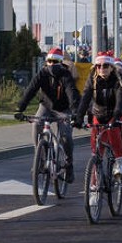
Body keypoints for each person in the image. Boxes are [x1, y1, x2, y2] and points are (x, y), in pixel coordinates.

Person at [15, 47, 80, 182]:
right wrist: (20, 108)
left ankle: (69, 165)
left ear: (61, 62)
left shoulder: (65, 75)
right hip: (46, 106)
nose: (51, 64)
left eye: (55, 61)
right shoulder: (42, 73)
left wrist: (74, 112)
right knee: (36, 125)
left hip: (64, 109)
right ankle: (40, 158)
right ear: (46, 62)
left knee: (66, 135)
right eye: (49, 61)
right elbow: (30, 90)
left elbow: (71, 93)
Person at [73, 51, 122, 177]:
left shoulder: (117, 79)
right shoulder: (92, 79)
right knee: (96, 151)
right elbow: (85, 98)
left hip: (114, 113)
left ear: (111, 67)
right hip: (98, 114)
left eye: (105, 66)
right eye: (98, 66)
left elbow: (120, 100)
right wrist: (79, 118)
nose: (101, 68)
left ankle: (119, 161)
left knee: (113, 132)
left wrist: (116, 116)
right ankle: (94, 187)